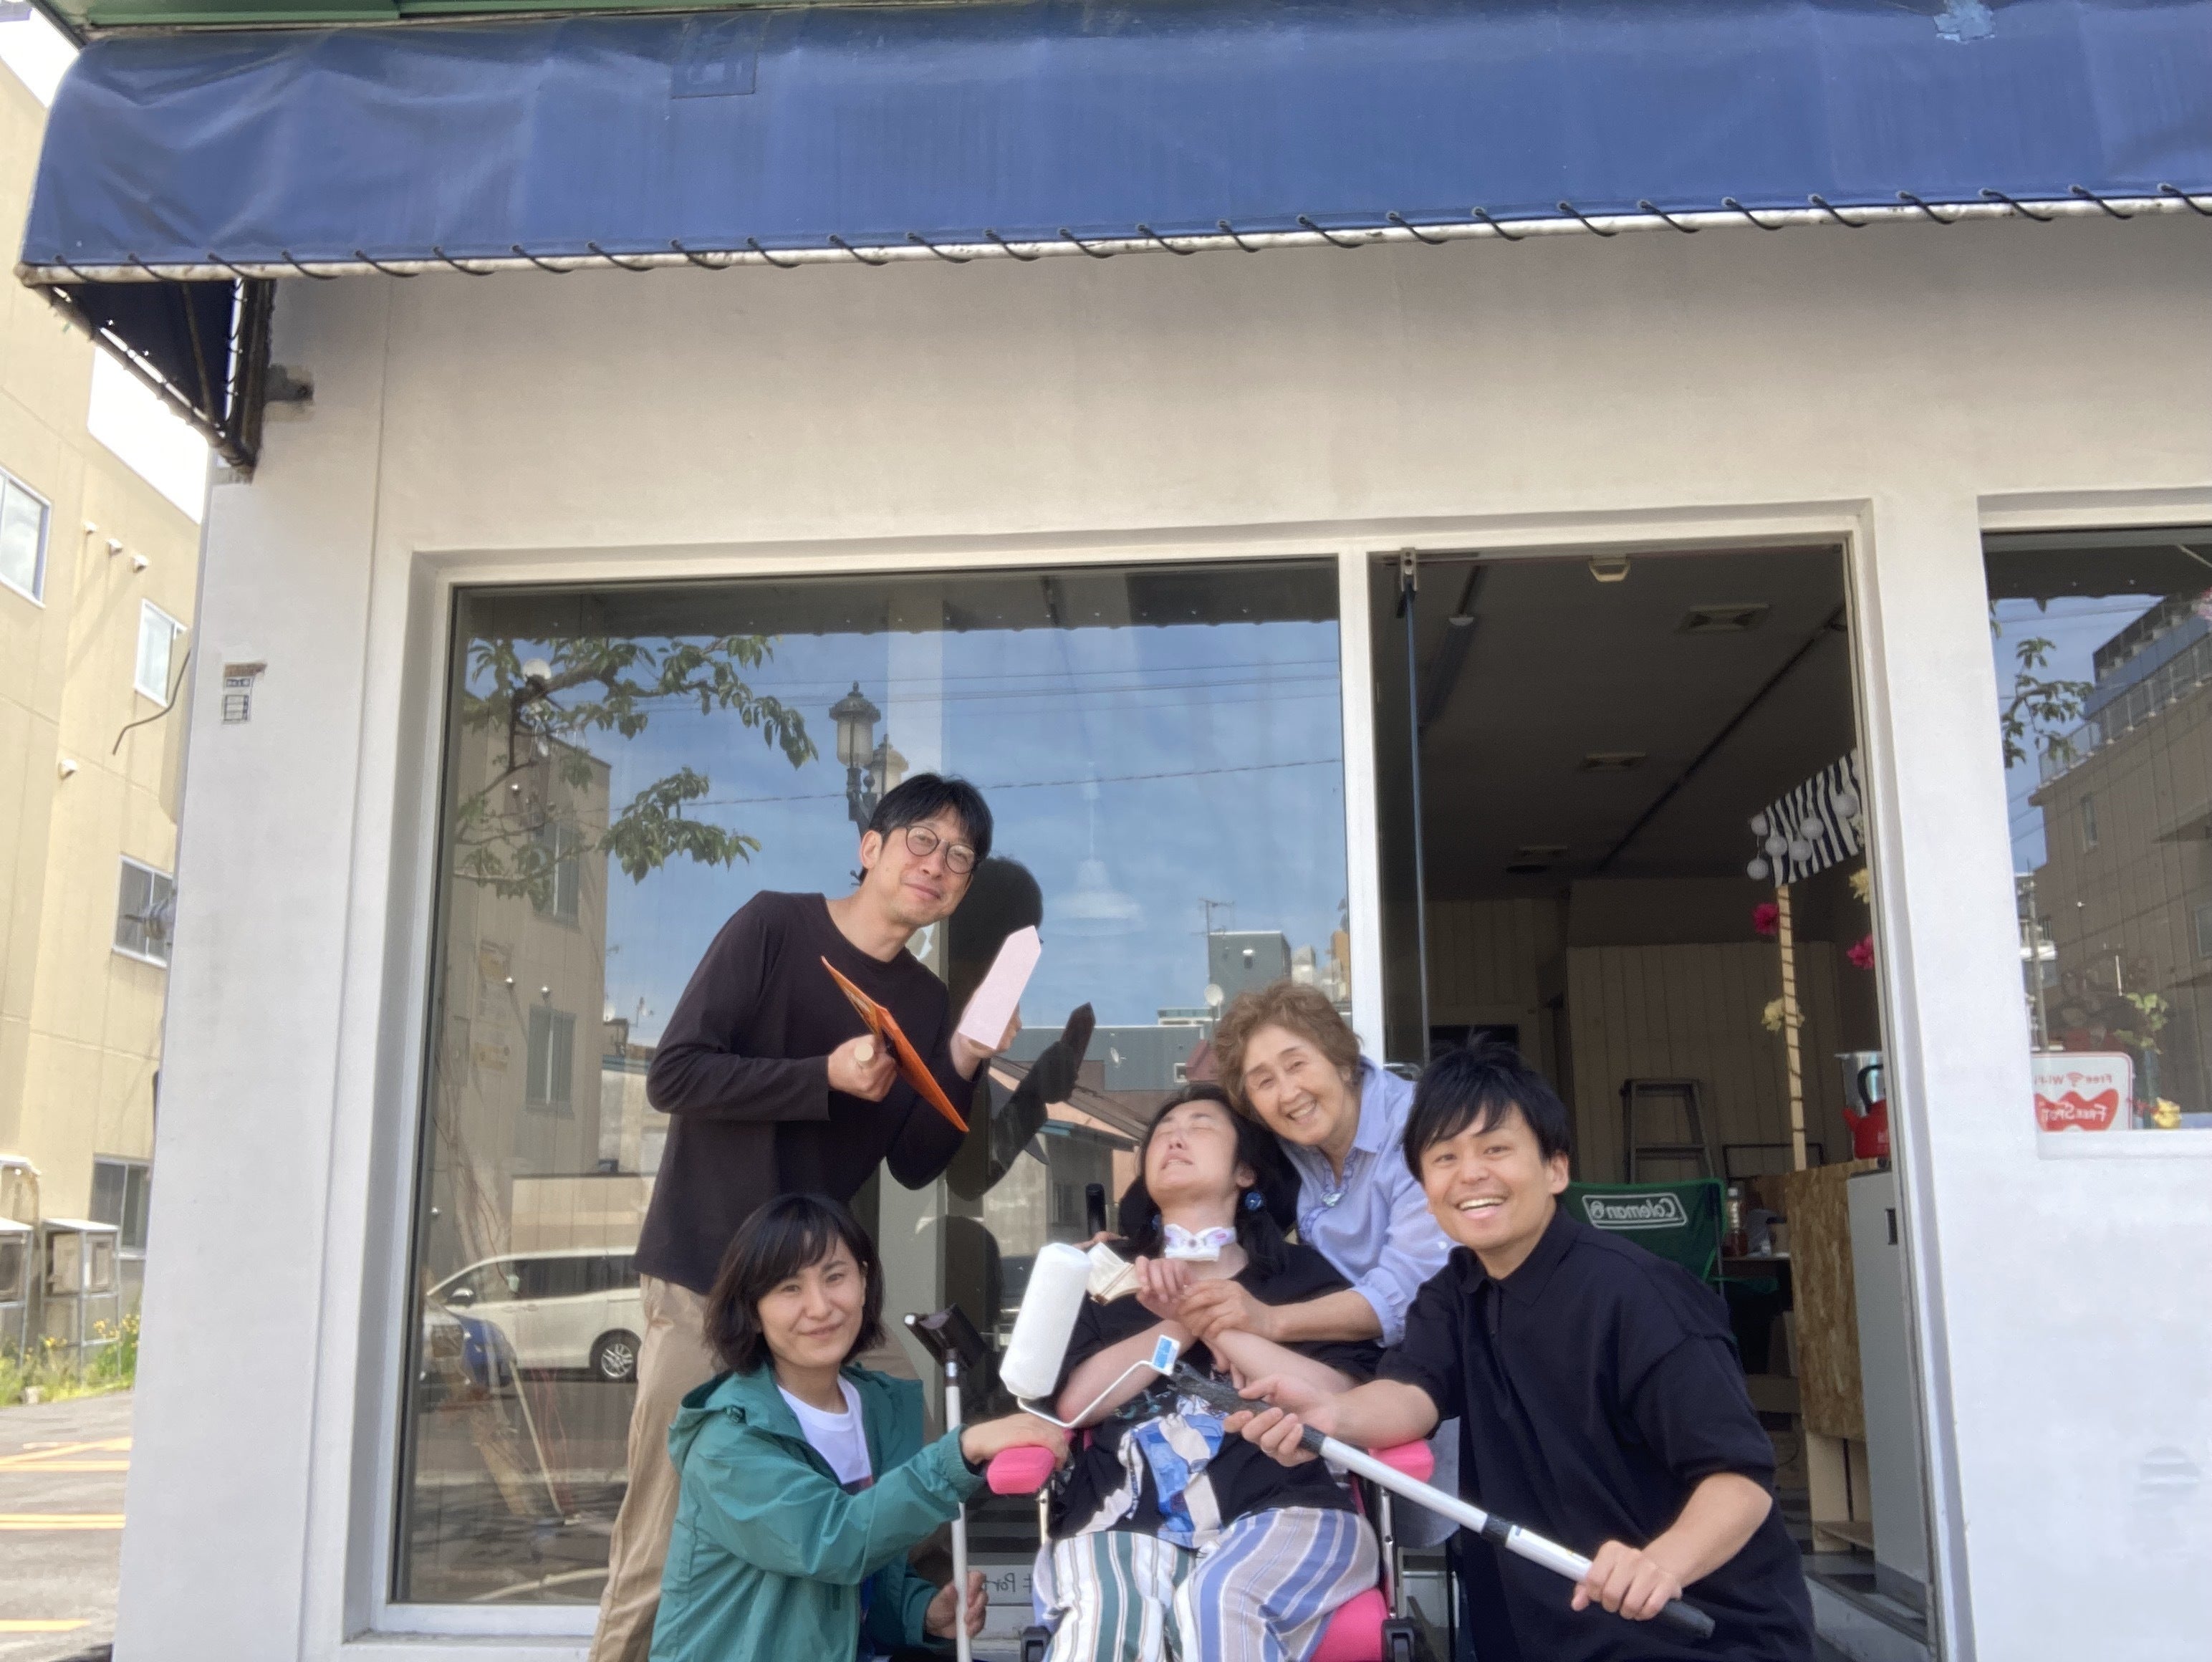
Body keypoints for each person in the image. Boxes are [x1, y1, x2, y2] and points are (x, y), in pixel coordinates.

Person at [593, 774, 1019, 1662]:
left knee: (911, 1464)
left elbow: (914, 1159)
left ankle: (911, 1630)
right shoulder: (774, 926)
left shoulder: (923, 1003)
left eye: (960, 857)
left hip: (823, 1291)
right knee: (664, 1533)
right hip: (709, 1269)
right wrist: (819, 1075)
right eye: (922, 841)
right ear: (871, 847)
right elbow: (674, 1073)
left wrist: (965, 1055)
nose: (938, 864)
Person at [1231, 1044, 1816, 1662]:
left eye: (1495, 1149)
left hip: (1700, 1636)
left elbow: (1740, 1481)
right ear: (1425, 1190)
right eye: (1445, 1158)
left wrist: (1661, 1564)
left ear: (1555, 1169)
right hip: (1540, 1632)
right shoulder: (1454, 1293)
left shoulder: (1641, 1297)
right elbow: (1410, 1395)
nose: (1470, 1174)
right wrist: (1330, 1417)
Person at [1034, 1086, 1382, 1662]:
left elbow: (1345, 1400)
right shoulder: (1104, 1279)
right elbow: (1075, 1406)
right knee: (1107, 1616)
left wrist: (1223, 1321)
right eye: (1163, 1130)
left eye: (1200, 1125)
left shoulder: (1302, 1278)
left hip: (1288, 1506)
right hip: (1124, 1517)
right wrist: (1177, 1325)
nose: (1175, 1136)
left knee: (1218, 1599)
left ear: (1247, 1171)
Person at [650, 1193, 1067, 1662]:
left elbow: (860, 1579)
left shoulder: (879, 1409)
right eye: (789, 1288)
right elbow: (832, 1543)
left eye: (835, 1277)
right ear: (751, 1310)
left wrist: (920, 1613)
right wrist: (963, 1449)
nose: (820, 1307)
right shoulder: (727, 1439)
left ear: (864, 1282)